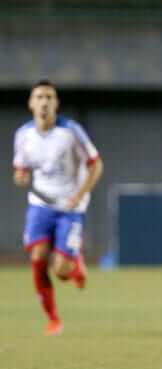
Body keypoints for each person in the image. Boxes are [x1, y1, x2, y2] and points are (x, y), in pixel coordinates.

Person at [13, 80, 104, 336]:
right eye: (39, 97)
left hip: (69, 206)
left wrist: (80, 194)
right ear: (31, 103)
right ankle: (53, 319)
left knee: (61, 271)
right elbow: (21, 168)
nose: (44, 102)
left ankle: (74, 266)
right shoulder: (23, 135)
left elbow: (96, 165)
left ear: (56, 103)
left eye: (49, 97)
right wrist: (20, 176)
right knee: (38, 257)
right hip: (40, 203)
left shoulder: (71, 131)